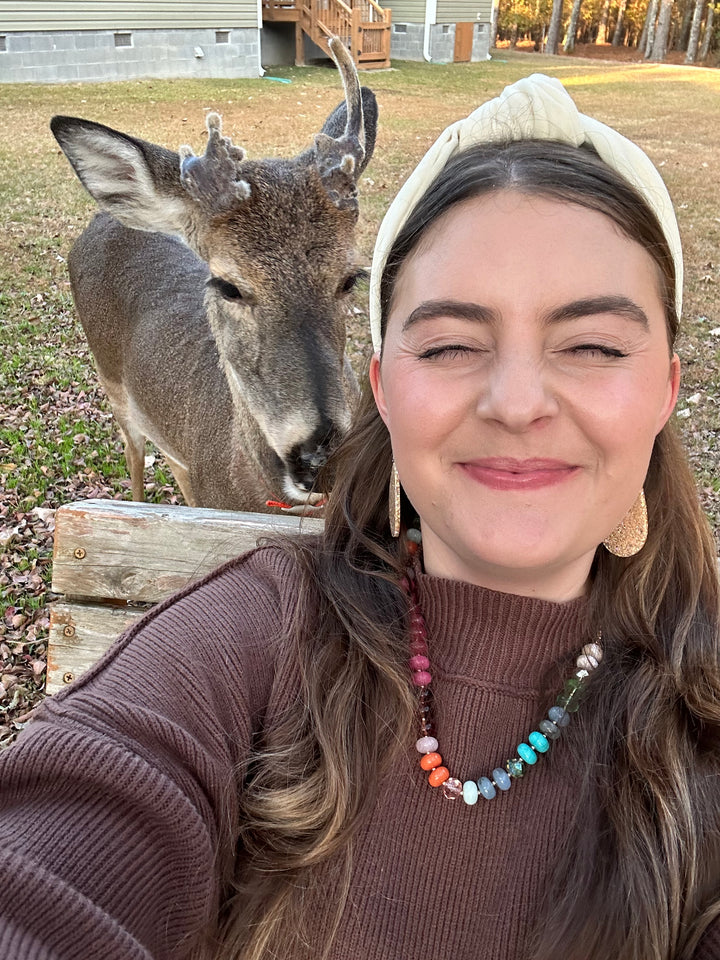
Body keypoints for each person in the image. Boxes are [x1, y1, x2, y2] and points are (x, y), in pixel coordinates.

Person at [1, 73, 719, 960]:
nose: (518, 403)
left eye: (595, 345)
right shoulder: (251, 634)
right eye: (452, 342)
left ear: (668, 387)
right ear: (383, 380)